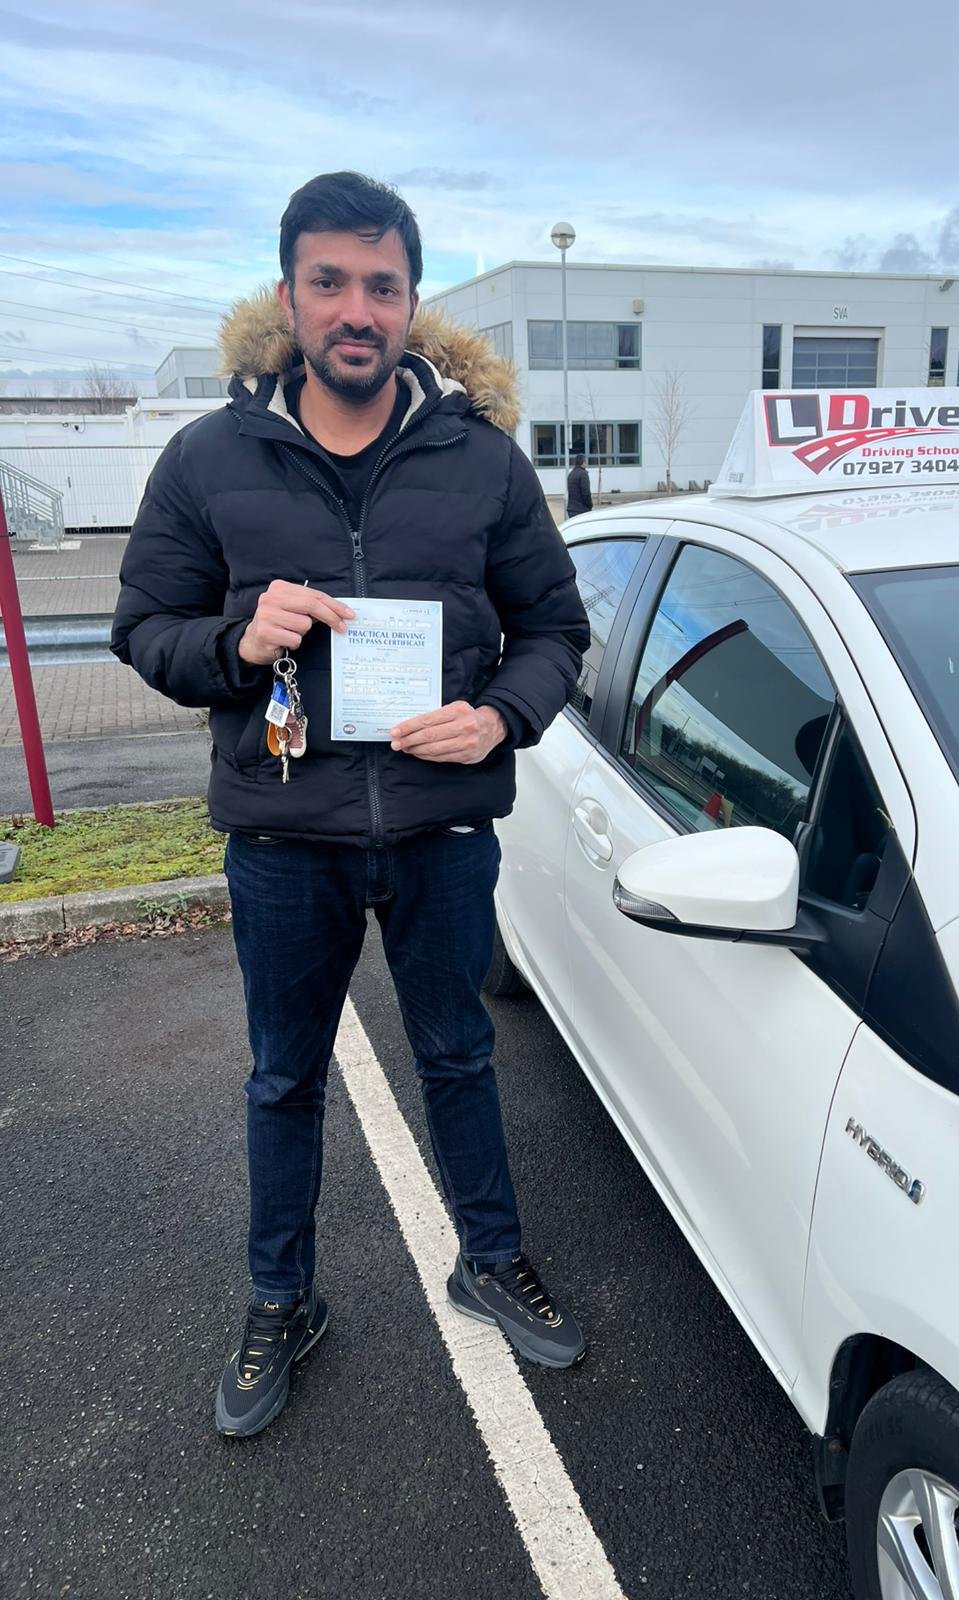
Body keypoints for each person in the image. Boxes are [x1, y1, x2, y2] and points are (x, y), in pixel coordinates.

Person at [111, 172, 591, 1439]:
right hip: (284, 840)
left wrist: (499, 717)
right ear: (289, 296)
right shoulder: (208, 459)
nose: (357, 309)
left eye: (383, 285)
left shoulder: (481, 462)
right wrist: (233, 639)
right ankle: (283, 1298)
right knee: (284, 1078)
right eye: (330, 281)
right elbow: (142, 627)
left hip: (441, 833)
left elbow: (555, 628)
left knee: (461, 1057)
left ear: (412, 301)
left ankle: (490, 1257)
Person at [566, 453, 592, 517]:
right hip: (581, 510)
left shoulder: (571, 474)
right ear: (583, 463)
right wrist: (590, 505)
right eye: (586, 462)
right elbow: (586, 493)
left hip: (571, 509)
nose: (587, 463)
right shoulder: (583, 474)